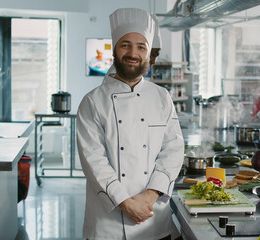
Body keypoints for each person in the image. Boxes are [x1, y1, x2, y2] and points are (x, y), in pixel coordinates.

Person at [76, 8, 184, 240]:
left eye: (141, 46)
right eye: (125, 44)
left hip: (153, 217)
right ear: (114, 49)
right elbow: (94, 161)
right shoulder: (92, 102)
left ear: (147, 54)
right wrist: (126, 203)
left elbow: (173, 150)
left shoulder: (162, 97)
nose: (132, 53)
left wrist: (149, 196)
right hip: (109, 226)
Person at [105, 13, 161, 77]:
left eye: (141, 47)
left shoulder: (140, 69)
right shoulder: (119, 71)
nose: (133, 54)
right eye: (125, 45)